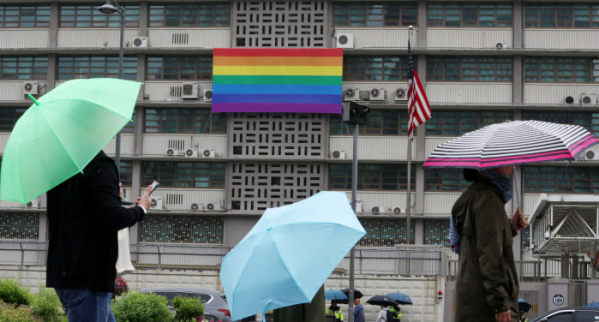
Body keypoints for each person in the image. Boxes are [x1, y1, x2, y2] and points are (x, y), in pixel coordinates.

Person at [46, 150, 152, 322]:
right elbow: (113, 219)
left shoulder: (61, 165)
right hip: (89, 277)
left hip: (65, 274)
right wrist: (142, 209)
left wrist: (110, 199)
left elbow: (82, 212)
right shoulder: (99, 163)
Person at [451, 166, 527, 322]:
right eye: (509, 161)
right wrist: (499, 302)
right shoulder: (488, 199)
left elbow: (484, 241)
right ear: (494, 164)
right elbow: (490, 254)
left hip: (477, 302)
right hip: (486, 307)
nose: (512, 166)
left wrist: (511, 228)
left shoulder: (479, 195)